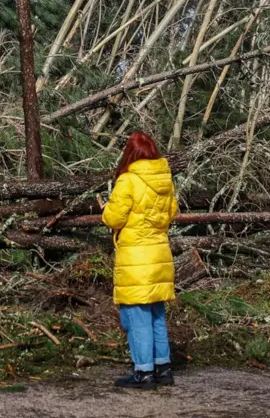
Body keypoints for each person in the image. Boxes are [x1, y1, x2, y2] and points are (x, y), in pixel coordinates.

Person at [101, 131, 179, 389]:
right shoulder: (165, 180)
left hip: (136, 256)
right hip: (159, 253)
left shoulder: (128, 181)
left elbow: (114, 218)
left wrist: (105, 211)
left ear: (130, 154)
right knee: (156, 312)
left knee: (137, 315)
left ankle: (143, 372)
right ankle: (163, 368)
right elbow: (171, 212)